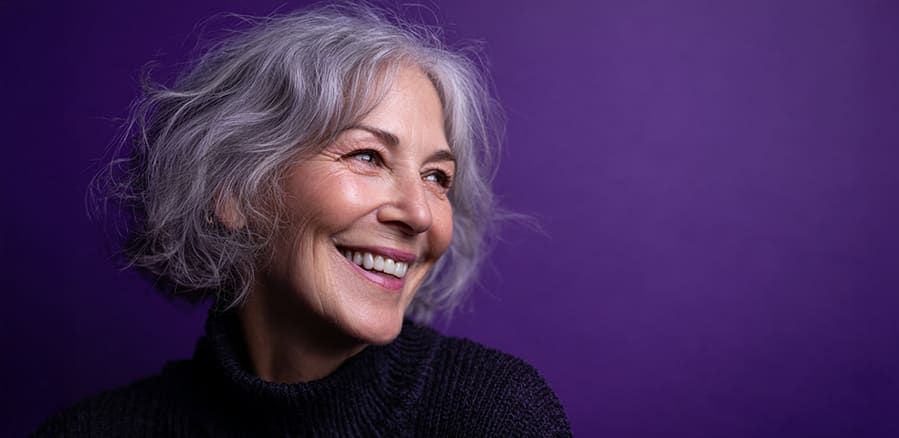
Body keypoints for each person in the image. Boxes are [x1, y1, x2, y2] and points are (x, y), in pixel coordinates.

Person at [35, 4, 571, 437]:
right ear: (233, 189)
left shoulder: (494, 414)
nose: (419, 213)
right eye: (368, 156)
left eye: (437, 177)